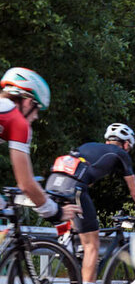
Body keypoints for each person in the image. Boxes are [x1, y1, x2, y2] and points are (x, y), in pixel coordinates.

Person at [45, 124, 135, 284]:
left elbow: (83, 177)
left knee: (78, 226)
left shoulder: (89, 147)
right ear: (126, 144)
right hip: (74, 187)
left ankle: (66, 251)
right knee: (92, 245)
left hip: (53, 184)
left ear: (107, 140)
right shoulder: (120, 154)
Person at [0, 67, 77, 223]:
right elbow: (26, 183)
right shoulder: (17, 121)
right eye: (37, 109)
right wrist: (54, 211)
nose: (36, 117)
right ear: (28, 101)